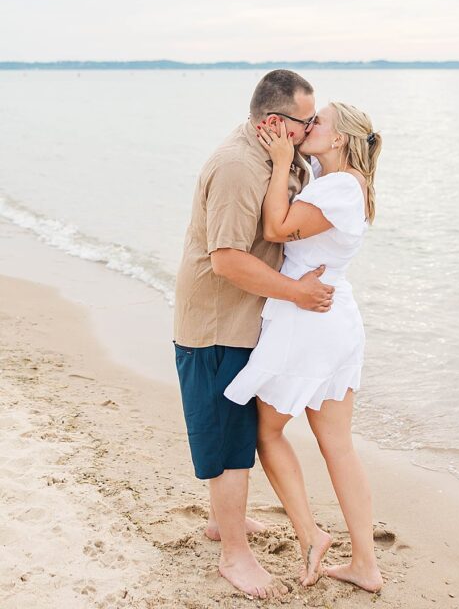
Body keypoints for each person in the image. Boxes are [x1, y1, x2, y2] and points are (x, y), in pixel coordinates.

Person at [173, 69, 336, 600]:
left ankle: (227, 523)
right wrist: (298, 295)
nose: (312, 128)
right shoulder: (239, 167)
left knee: (238, 429)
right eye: (305, 121)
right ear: (274, 121)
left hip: (246, 320)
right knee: (227, 439)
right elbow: (225, 260)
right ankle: (233, 555)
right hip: (216, 324)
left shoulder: (277, 156)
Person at [224, 100, 384, 593]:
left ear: (339, 139)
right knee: (337, 445)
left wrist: (276, 164)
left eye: (319, 123)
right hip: (331, 317)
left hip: (308, 321)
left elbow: (275, 228)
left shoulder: (339, 186)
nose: (308, 127)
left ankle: (311, 535)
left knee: (266, 433)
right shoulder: (336, 177)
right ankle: (365, 565)